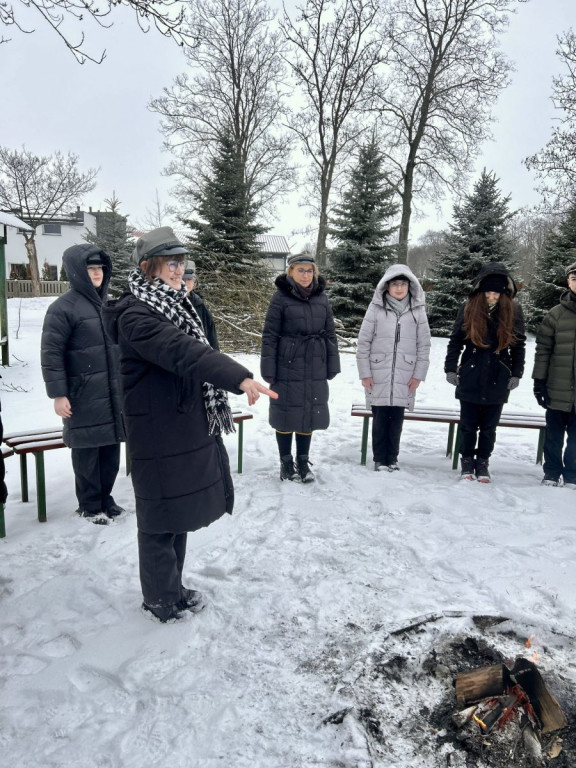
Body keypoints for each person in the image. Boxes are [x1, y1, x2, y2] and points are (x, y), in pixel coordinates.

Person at [102, 226, 277, 623]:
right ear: (148, 268)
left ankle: (173, 589)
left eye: (181, 262)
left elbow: (196, 347)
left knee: (175, 513)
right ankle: (160, 600)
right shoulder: (135, 314)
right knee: (159, 519)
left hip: (178, 423)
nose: (179, 270)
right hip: (156, 431)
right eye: (171, 262)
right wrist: (238, 377)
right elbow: (185, 352)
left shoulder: (176, 304)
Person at [41, 244, 125, 524]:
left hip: (112, 394)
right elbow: (51, 354)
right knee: (88, 452)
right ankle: (89, 506)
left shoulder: (109, 304)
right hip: (83, 394)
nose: (97, 273)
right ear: (78, 272)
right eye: (90, 268)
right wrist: (58, 394)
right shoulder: (62, 308)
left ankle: (106, 499)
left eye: (100, 268)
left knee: (111, 450)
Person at [260, 252, 341, 483]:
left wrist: (332, 363)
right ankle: (286, 463)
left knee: (309, 413)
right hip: (288, 364)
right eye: (300, 270)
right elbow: (270, 335)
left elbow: (330, 333)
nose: (305, 275)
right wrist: (269, 367)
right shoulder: (280, 298)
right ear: (291, 272)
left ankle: (303, 461)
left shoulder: (322, 298)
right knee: (286, 413)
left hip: (315, 362)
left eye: (309, 271)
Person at [444, 262, 526, 483]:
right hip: (470, 373)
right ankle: (467, 460)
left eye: (496, 293)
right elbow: (455, 341)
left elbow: (519, 345)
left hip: (498, 376)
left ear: (504, 293)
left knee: (489, 427)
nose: (492, 296)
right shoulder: (469, 307)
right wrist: (451, 369)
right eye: (488, 292)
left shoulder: (513, 310)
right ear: (481, 291)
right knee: (468, 425)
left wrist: (516, 373)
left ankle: (483, 462)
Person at [356, 265, 431, 471]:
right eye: (395, 284)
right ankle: (380, 458)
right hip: (378, 371)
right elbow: (363, 342)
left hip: (405, 374)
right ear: (386, 286)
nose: (399, 288)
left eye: (403, 284)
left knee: (397, 418)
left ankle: (393, 458)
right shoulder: (375, 308)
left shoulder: (417, 311)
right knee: (380, 418)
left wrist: (418, 375)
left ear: (410, 286)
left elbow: (424, 345)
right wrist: (365, 373)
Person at [532, 261, 576, 488]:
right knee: (554, 437)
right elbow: (543, 350)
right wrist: (539, 381)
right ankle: (551, 473)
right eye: (574, 278)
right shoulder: (555, 314)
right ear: (568, 282)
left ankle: (572, 475)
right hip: (556, 388)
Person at [183, 260, 219, 349]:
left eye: (190, 279)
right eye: (183, 279)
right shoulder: (169, 304)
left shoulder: (199, 304)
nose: (186, 283)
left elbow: (211, 335)